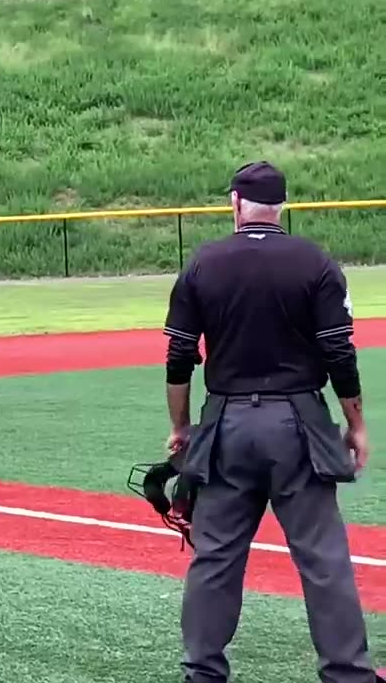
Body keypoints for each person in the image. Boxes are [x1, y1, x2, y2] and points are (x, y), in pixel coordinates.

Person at [163, 161, 380, 683]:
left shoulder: (203, 262)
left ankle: (204, 672)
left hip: (226, 422)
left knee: (214, 559)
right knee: (324, 559)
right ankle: (348, 673)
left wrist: (182, 426)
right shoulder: (315, 261)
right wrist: (356, 422)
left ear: (235, 204)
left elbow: (179, 353)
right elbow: (338, 351)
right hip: (298, 421)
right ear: (283, 206)